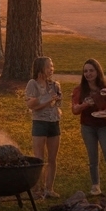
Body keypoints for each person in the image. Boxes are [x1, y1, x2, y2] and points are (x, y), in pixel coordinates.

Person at [70, 58, 106, 199]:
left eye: (91, 70)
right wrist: (85, 105)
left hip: (104, 126)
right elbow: (75, 110)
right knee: (93, 158)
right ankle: (95, 186)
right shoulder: (80, 90)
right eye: (85, 71)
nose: (88, 74)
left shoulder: (105, 88)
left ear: (97, 71)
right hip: (87, 127)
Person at [24, 56, 61, 199]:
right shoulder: (32, 84)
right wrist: (46, 99)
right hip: (39, 123)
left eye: (52, 66)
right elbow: (30, 105)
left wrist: (54, 100)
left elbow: (57, 103)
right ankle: (37, 189)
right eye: (48, 66)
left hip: (54, 122)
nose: (51, 69)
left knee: (52, 158)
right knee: (39, 158)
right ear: (40, 68)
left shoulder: (55, 85)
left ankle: (49, 188)